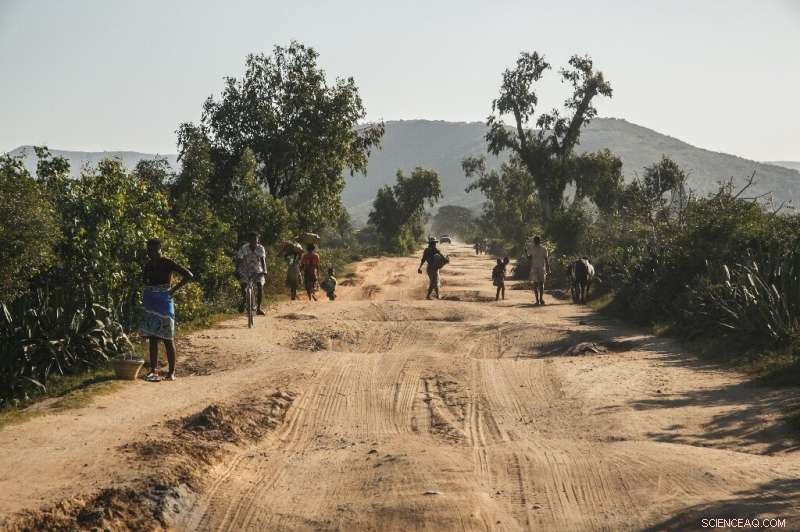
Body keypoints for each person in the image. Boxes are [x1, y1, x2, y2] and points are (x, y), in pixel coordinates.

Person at [140, 238, 193, 382]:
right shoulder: (148, 265)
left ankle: (171, 372)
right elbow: (145, 282)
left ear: (160, 249)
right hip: (150, 301)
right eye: (149, 251)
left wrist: (173, 291)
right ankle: (153, 370)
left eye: (155, 250)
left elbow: (188, 275)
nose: (152, 253)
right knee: (152, 337)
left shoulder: (168, 263)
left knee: (168, 338)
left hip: (164, 301)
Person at [236, 232, 267, 315]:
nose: (253, 241)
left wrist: (265, 270)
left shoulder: (261, 248)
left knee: (260, 286)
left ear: (258, 240)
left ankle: (259, 308)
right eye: (252, 239)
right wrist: (237, 270)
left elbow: (263, 260)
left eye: (255, 239)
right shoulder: (244, 248)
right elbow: (239, 259)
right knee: (243, 286)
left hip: (257, 270)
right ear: (249, 240)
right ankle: (244, 301)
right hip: (245, 270)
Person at [526, 236, 551, 305]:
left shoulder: (543, 249)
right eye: (535, 241)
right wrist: (526, 253)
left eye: (536, 241)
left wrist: (548, 268)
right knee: (537, 284)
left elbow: (546, 259)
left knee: (540, 284)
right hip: (536, 268)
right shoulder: (534, 248)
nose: (536, 242)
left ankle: (540, 299)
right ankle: (538, 299)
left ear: (538, 241)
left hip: (541, 268)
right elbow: (530, 258)